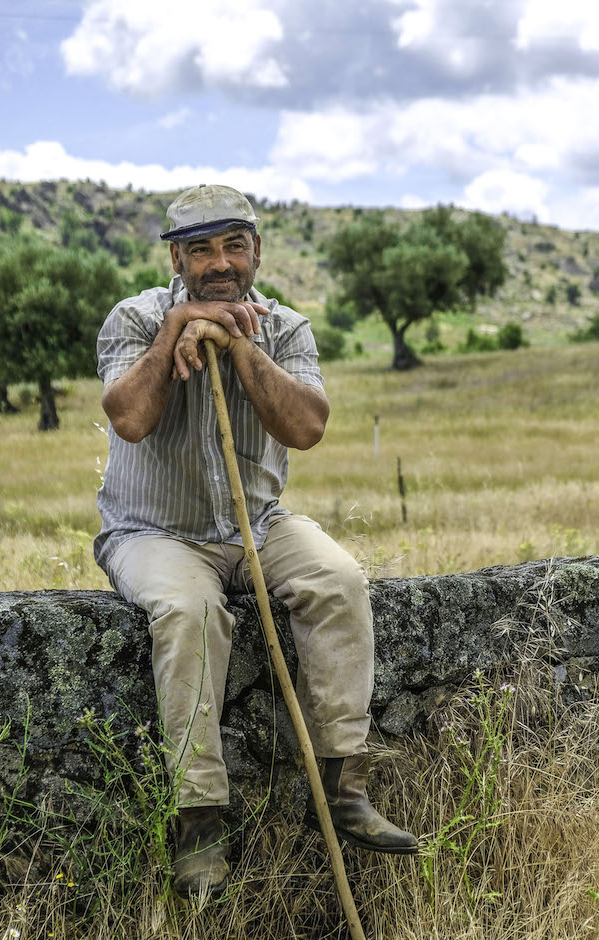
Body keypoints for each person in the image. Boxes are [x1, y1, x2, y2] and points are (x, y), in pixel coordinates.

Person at [94, 184, 417, 897]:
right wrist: (177, 324)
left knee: (338, 580)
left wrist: (238, 343)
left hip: (259, 525)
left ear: (256, 251)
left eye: (232, 245)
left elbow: (306, 426)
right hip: (155, 532)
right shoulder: (134, 318)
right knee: (188, 613)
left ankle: (342, 788)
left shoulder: (287, 329)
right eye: (201, 249)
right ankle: (199, 824)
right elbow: (130, 419)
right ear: (176, 257)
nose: (219, 262)